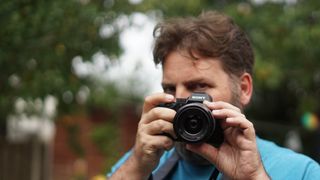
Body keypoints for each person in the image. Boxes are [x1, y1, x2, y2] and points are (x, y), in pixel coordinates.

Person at [107, 11, 320, 180]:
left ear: (244, 88)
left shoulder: (301, 172)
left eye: (198, 87)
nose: (180, 100)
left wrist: (254, 177)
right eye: (170, 89)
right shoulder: (143, 162)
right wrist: (136, 168)